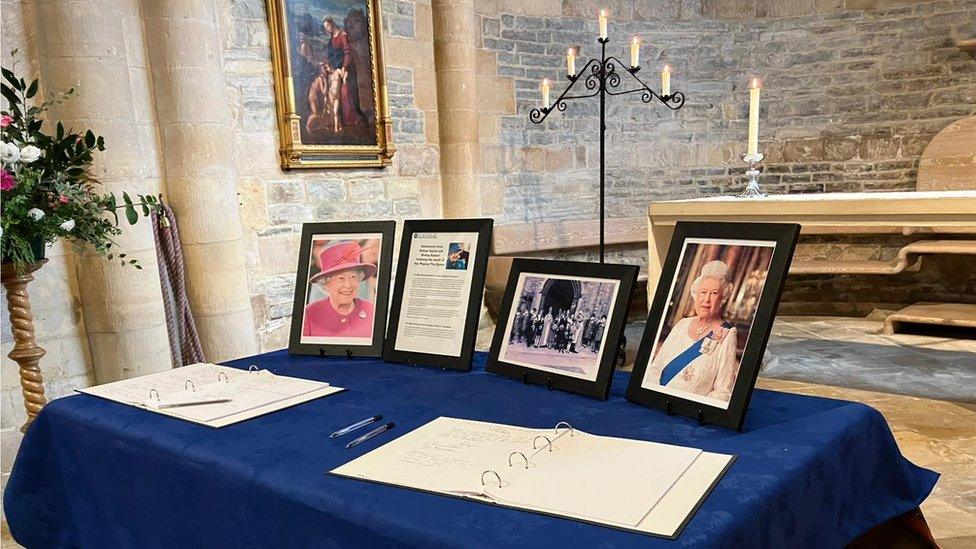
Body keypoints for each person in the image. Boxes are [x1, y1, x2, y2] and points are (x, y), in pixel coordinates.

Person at [646, 260, 738, 403]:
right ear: (696, 294)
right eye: (703, 292)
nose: (706, 299)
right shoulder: (682, 325)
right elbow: (655, 368)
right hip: (659, 402)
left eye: (714, 293)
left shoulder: (727, 334)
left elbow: (722, 392)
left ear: (722, 298)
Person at [302, 241, 376, 338]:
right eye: (341, 278)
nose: (348, 285)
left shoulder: (372, 310)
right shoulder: (309, 314)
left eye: (353, 277)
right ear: (326, 284)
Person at [323, 17, 368, 127]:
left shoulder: (342, 35)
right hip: (336, 70)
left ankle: (352, 119)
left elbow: (347, 52)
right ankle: (337, 120)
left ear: (332, 24)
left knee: (345, 92)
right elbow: (329, 57)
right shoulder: (330, 42)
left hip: (347, 67)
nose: (328, 29)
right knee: (333, 92)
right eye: (325, 27)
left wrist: (344, 67)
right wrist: (330, 68)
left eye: (328, 26)